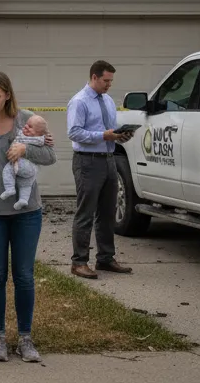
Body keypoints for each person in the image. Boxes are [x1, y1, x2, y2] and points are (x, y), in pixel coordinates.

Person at [0, 71, 56, 363]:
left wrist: (27, 148)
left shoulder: (27, 120)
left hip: (27, 212)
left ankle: (25, 338)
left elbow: (51, 156)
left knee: (23, 275)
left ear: (8, 94)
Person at [67, 59, 134, 279]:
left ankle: (105, 258)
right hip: (87, 161)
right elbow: (74, 133)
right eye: (106, 80)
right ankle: (79, 262)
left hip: (108, 158)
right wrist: (103, 136)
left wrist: (120, 135)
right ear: (94, 77)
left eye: (111, 81)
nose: (109, 85)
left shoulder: (107, 100)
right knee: (86, 212)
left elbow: (109, 130)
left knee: (107, 212)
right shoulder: (79, 102)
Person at [0, 115, 49, 211]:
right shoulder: (40, 139)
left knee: (8, 170)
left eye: (30, 127)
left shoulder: (28, 137)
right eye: (26, 124)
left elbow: (16, 141)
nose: (26, 127)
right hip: (32, 170)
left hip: (23, 164)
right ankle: (23, 200)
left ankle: (10, 188)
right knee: (25, 184)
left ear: (38, 133)